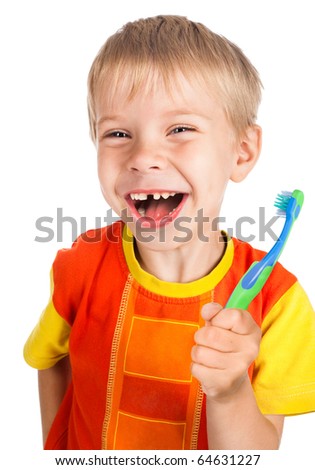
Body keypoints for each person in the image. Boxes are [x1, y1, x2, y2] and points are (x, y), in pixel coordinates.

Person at [24, 15, 315, 450]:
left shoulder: (277, 300)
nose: (143, 157)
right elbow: (50, 360)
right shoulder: (78, 265)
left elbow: (257, 455)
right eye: (118, 133)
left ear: (242, 152)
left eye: (180, 129)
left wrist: (229, 390)